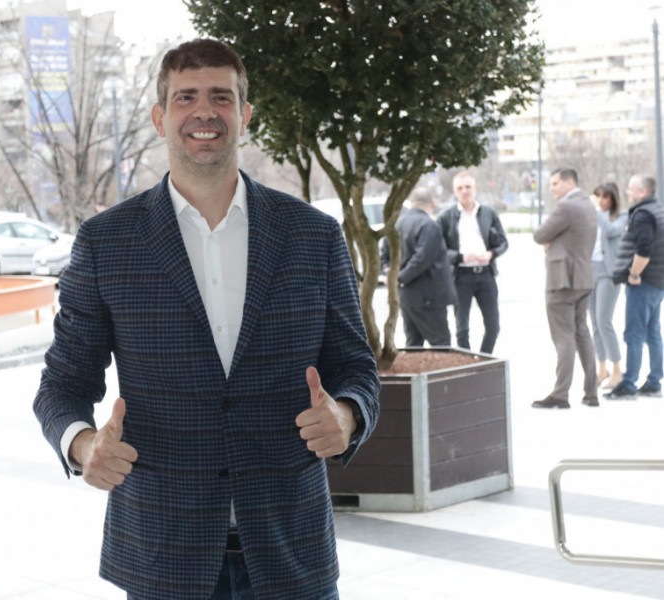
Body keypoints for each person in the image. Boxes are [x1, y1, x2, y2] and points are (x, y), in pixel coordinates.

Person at [33, 39, 380, 600]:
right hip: (162, 558)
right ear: (159, 118)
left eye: (221, 97)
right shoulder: (106, 243)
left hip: (291, 553)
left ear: (244, 115)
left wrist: (347, 413)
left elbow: (356, 367)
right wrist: (83, 444)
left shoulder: (313, 235)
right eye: (185, 97)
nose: (204, 111)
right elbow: (62, 385)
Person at [532, 168, 598, 408]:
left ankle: (560, 394)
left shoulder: (566, 207)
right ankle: (591, 392)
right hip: (583, 277)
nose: (552, 188)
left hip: (563, 280)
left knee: (564, 337)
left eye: (555, 183)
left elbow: (540, 235)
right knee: (582, 333)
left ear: (570, 183)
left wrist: (551, 241)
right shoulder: (588, 205)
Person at [604, 174, 664, 400]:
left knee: (634, 333)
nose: (628, 192)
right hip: (657, 281)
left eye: (631, 189)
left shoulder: (642, 214)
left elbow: (644, 249)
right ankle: (654, 382)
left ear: (643, 192)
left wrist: (634, 274)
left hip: (643, 282)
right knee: (653, 332)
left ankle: (628, 384)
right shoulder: (658, 209)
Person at [437, 172, 508, 354]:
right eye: (460, 188)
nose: (465, 191)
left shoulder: (488, 213)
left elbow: (503, 242)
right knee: (462, 329)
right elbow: (438, 249)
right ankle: (467, 362)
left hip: (486, 274)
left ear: (475, 188)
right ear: (454, 191)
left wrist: (491, 254)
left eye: (468, 187)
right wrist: (461, 257)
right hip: (460, 276)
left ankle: (483, 360)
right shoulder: (446, 217)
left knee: (493, 326)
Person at [380, 187, 455, 347]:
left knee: (413, 343)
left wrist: (390, 272)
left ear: (411, 202)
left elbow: (384, 254)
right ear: (432, 203)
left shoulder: (396, 224)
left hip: (406, 296)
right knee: (441, 343)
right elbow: (422, 259)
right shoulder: (429, 225)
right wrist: (399, 277)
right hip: (428, 296)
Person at [588, 183, 627, 392]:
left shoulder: (620, 217)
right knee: (594, 323)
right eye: (598, 197)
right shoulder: (591, 217)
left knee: (604, 321)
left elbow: (612, 231)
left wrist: (597, 211)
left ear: (612, 199)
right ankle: (601, 368)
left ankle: (617, 369)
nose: (601, 201)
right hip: (589, 271)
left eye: (604, 197)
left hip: (608, 273)